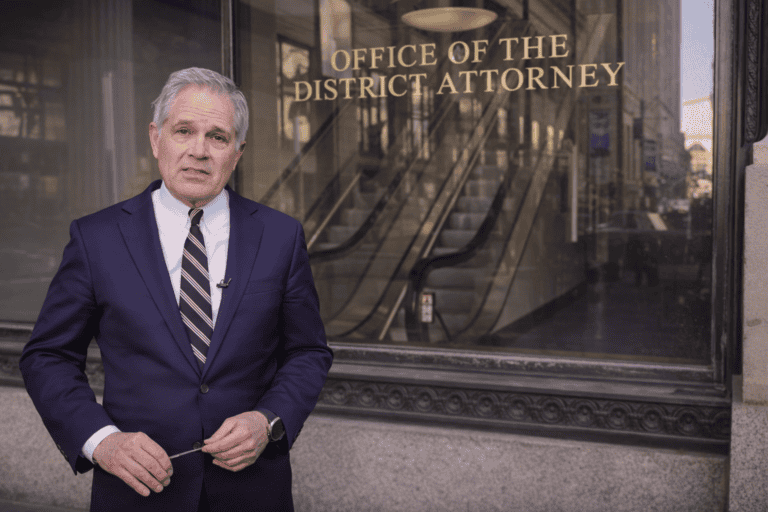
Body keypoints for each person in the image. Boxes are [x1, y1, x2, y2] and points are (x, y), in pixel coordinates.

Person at [19, 67, 333, 512]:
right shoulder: (98, 238)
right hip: (138, 492)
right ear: (156, 138)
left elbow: (308, 351)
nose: (198, 151)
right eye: (183, 130)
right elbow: (47, 357)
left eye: (218, 137)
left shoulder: (280, 237)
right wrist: (103, 441)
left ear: (237, 153)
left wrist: (268, 421)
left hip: (253, 492)